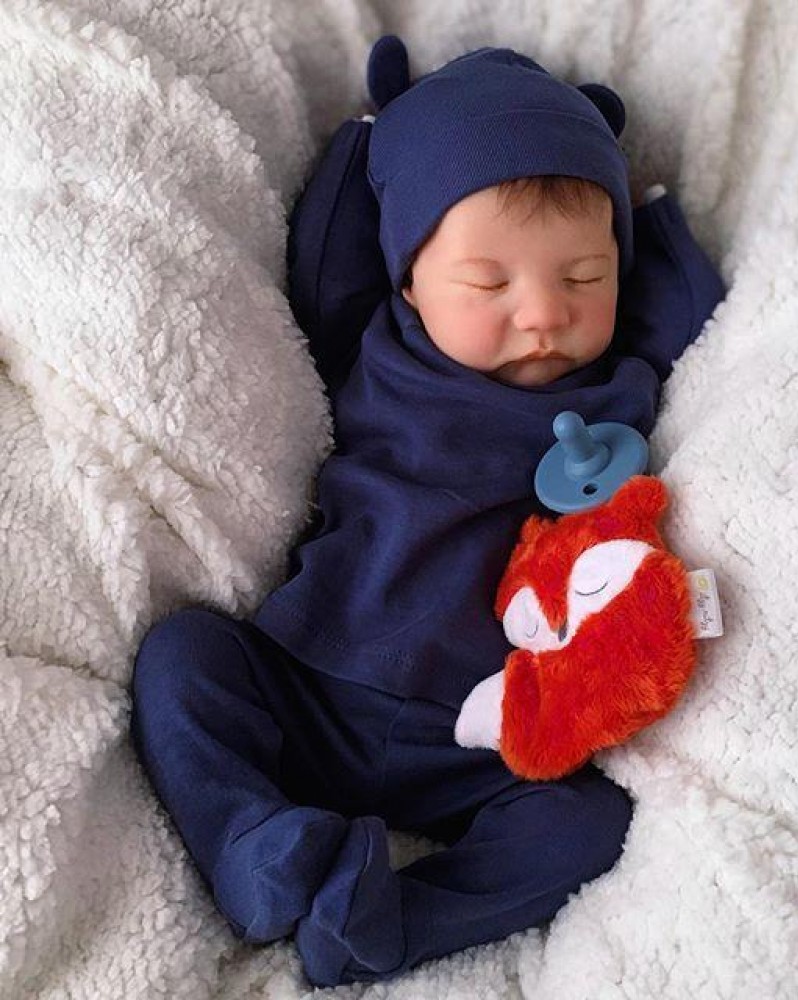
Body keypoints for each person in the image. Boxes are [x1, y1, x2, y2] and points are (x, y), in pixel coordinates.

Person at [130, 36, 725, 987]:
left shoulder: (621, 389)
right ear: (409, 277)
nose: (543, 314)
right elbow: (324, 260)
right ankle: (255, 848)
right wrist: (367, 142)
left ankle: (392, 921)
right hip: (317, 680)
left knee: (589, 821)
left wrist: (656, 224)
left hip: (481, 730)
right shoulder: (380, 349)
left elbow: (691, 314)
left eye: (583, 277)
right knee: (183, 658)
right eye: (490, 283)